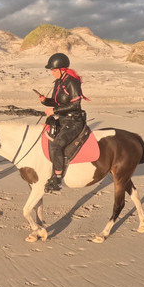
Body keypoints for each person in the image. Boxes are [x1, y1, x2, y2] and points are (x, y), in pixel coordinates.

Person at [37, 52, 87, 193]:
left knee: (57, 143)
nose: (52, 73)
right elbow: (57, 102)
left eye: (53, 70)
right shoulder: (59, 82)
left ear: (62, 69)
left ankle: (57, 179)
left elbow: (76, 105)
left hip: (75, 120)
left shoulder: (72, 82)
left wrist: (54, 110)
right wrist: (45, 101)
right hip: (63, 119)